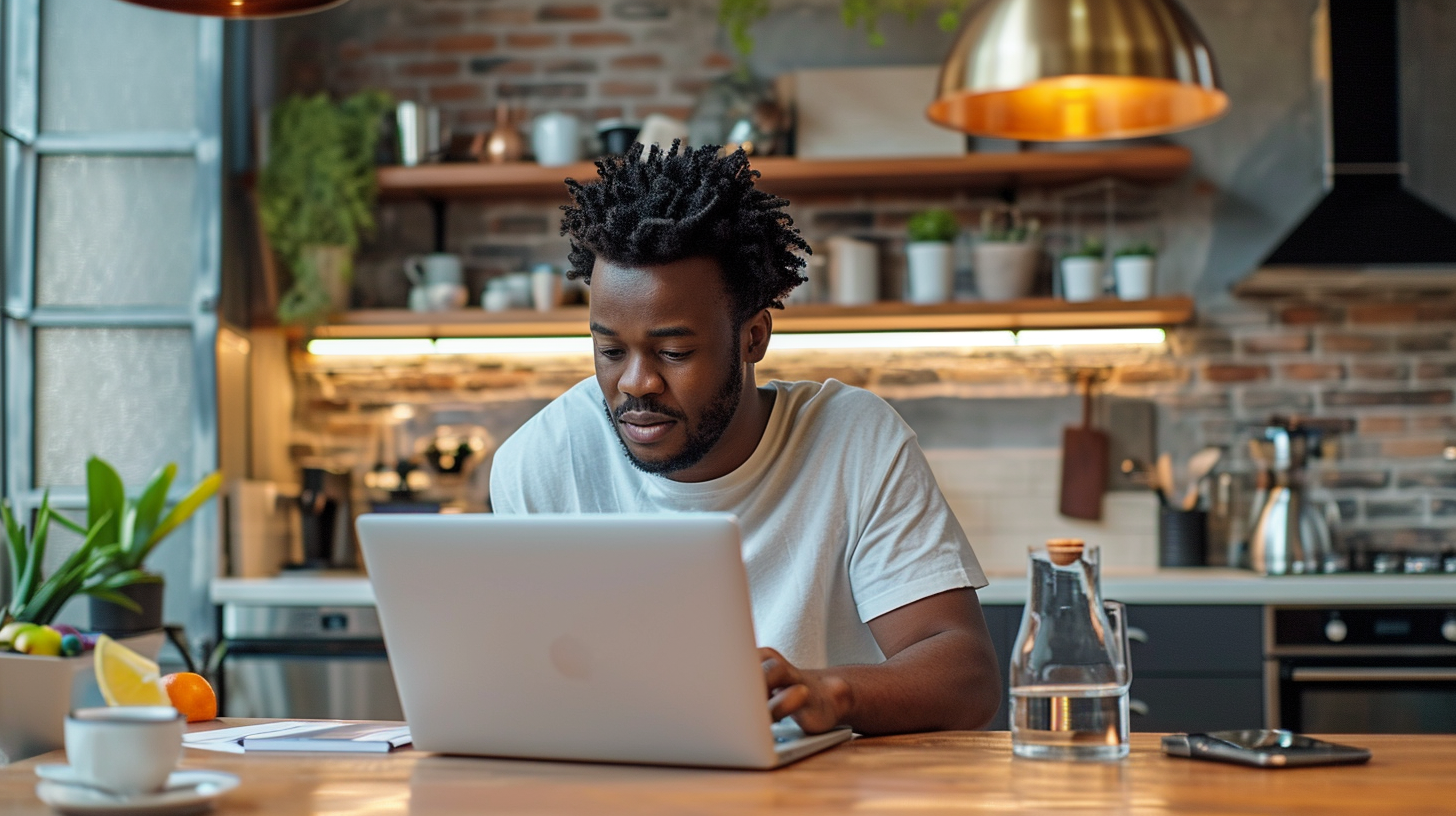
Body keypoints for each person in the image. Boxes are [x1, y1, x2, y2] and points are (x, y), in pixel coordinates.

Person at [490, 142, 999, 736]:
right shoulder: (541, 460)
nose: (636, 382)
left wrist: (832, 692)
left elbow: (966, 677)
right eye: (609, 350)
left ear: (754, 337)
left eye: (673, 352)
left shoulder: (854, 441)